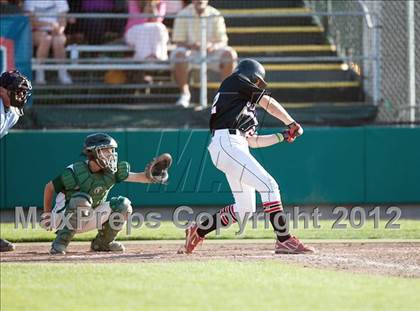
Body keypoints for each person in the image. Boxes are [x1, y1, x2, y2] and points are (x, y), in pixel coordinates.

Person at [178, 59, 315, 255]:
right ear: (251, 74)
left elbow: (253, 141)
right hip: (227, 143)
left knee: (245, 209)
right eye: (257, 81)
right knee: (269, 186)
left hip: (233, 146)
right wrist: (291, 122)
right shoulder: (235, 80)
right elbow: (268, 103)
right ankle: (284, 239)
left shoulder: (240, 104)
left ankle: (198, 230)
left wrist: (282, 136)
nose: (257, 85)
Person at [42, 133, 170, 255]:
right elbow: (49, 188)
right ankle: (59, 244)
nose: (111, 154)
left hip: (88, 215)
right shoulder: (75, 171)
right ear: (93, 152)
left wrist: (154, 175)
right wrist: (47, 215)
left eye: (112, 150)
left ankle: (102, 244)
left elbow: (138, 177)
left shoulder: (110, 172)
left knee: (123, 205)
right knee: (81, 200)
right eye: (106, 150)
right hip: (62, 219)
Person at [170, 0, 237, 108]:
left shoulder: (215, 14)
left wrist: (212, 46)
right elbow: (178, 41)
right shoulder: (182, 14)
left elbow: (222, 41)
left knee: (230, 55)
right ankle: (185, 95)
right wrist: (192, 46)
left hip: (212, 52)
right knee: (179, 56)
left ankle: (224, 96)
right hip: (190, 52)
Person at [0, 69, 32, 252]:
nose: (21, 94)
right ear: (2, 90)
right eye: (16, 90)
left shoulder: (13, 113)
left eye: (23, 91)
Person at [24, 0, 73, 84]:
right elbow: (32, 21)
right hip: (37, 31)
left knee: (58, 41)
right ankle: (40, 73)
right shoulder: (30, 1)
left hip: (56, 32)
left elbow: (63, 20)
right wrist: (50, 26)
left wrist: (59, 31)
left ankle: (62, 72)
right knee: (46, 39)